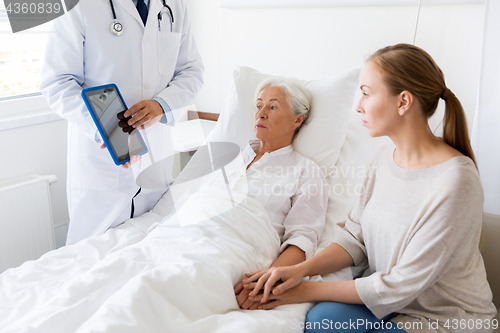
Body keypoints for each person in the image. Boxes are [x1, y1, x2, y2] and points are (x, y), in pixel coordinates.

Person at [0, 79, 329, 331]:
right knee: (98, 280)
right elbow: (188, 192)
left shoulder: (306, 171)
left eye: (273, 107)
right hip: (176, 233)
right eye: (258, 105)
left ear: (298, 120)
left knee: (146, 295)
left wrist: (272, 277)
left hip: (231, 246)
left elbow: (302, 238)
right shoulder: (228, 154)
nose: (259, 113)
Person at [240, 44, 497, 332]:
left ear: (403, 102)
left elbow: (400, 285)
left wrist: (301, 291)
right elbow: (354, 238)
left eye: (366, 93)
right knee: (319, 319)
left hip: (444, 319)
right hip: (389, 307)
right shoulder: (383, 158)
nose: (358, 106)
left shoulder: (456, 181)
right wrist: (295, 272)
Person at [40, 0, 204, 245]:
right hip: (102, 162)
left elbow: (191, 71)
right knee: (92, 256)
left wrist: (161, 104)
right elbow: (58, 82)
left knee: (150, 250)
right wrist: (108, 128)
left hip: (155, 159)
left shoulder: (173, 5)